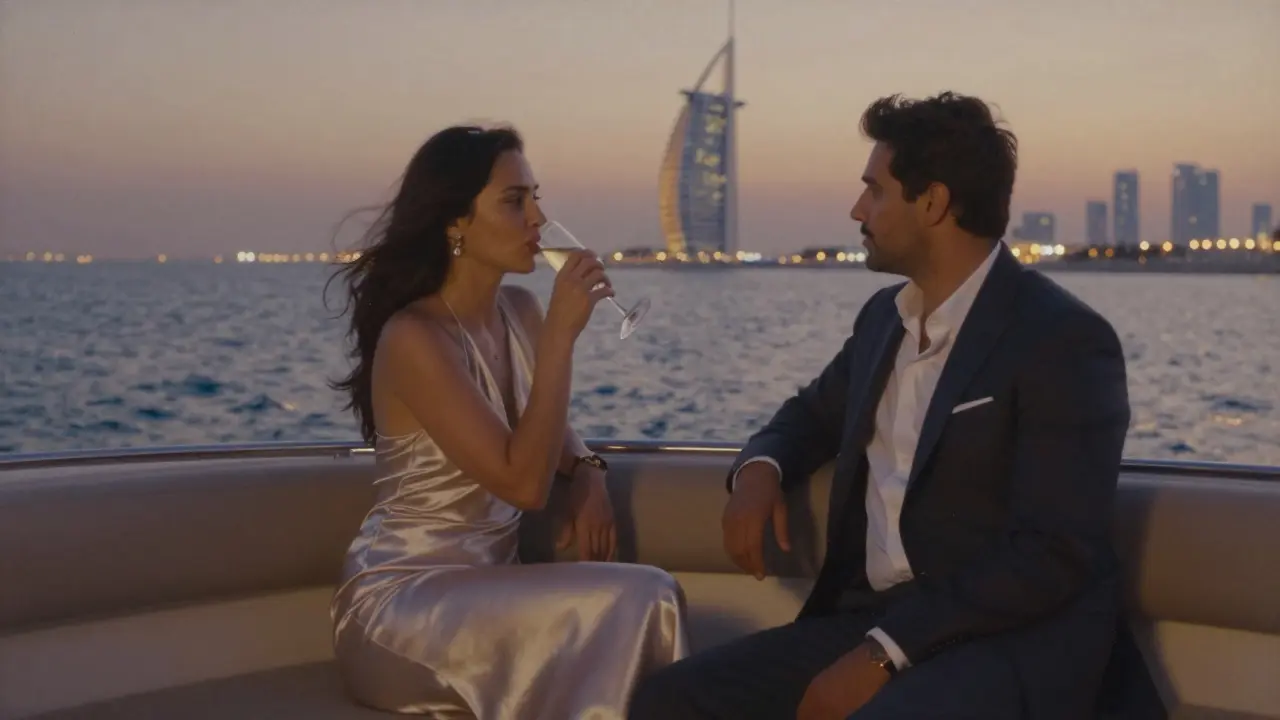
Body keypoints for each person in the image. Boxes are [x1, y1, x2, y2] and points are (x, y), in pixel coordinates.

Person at [628, 92, 1165, 719]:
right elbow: (810, 415)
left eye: (875, 190)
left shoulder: (1063, 339)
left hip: (1006, 639)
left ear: (932, 202)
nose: (857, 209)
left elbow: (1051, 551)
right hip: (873, 617)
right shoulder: (884, 320)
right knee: (672, 699)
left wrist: (884, 652)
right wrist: (758, 472)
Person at [328, 125, 690, 719]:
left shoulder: (517, 311)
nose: (539, 219)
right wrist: (560, 341)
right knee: (648, 596)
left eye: (537, 197)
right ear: (456, 222)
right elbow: (523, 484)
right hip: (402, 605)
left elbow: (551, 435)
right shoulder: (415, 338)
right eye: (515, 200)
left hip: (490, 592)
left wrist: (592, 473)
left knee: (644, 599)